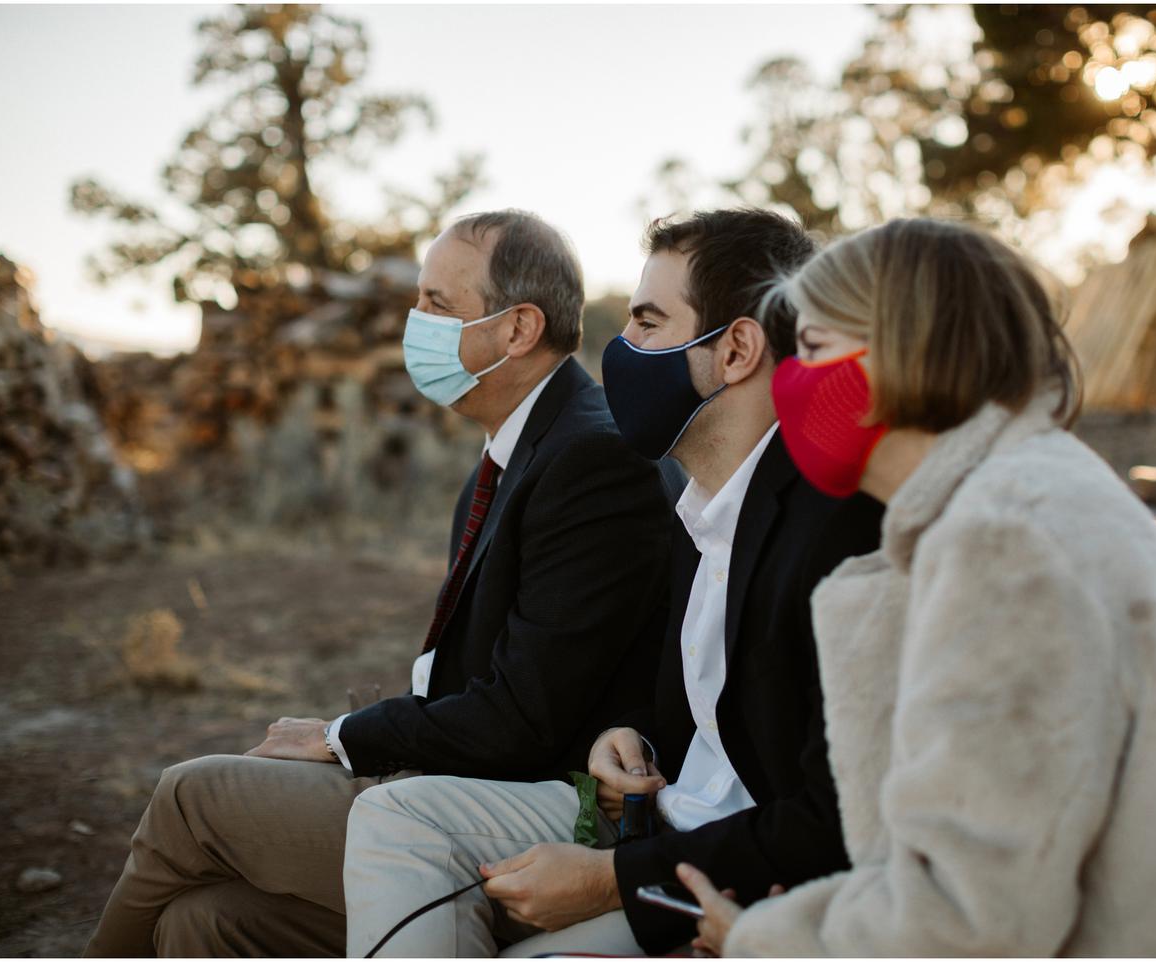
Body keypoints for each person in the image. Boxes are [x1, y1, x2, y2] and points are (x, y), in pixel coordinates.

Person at [677, 217, 1156, 957]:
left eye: (815, 350)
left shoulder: (1003, 540)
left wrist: (763, 939)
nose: (792, 383)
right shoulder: (1030, 491)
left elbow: (970, 919)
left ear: (904, 350)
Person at [84, 210, 676, 957]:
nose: (413, 323)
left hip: (534, 801)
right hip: (470, 772)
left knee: (189, 795)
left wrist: (342, 738)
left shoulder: (592, 459)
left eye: (436, 304)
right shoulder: (511, 455)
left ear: (518, 329)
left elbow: (523, 720)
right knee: (202, 923)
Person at [341, 208, 884, 957]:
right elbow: (703, 715)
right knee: (392, 822)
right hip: (663, 833)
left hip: (742, 887)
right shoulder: (701, 511)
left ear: (734, 350)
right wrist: (627, 741)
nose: (620, 353)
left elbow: (834, 816)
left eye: (648, 325)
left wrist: (615, 879)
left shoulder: (829, 533)